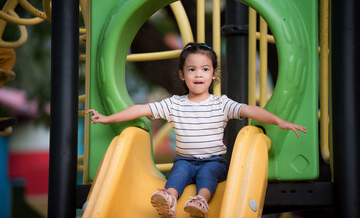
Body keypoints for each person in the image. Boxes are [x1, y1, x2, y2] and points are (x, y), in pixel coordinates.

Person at [86, 42, 307, 218]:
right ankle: (168, 198)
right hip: (184, 159)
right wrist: (108, 118)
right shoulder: (174, 104)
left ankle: (200, 201)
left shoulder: (222, 104)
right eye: (192, 69)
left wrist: (279, 121)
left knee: (208, 176)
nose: (198, 74)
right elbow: (141, 109)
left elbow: (250, 110)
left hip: (213, 160)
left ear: (213, 74)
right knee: (178, 175)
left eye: (205, 69)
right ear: (182, 75)